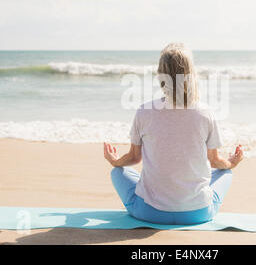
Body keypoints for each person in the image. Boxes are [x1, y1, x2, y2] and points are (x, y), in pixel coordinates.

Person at [103, 43, 244, 225]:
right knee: (226, 173)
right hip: (198, 214)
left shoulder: (144, 111)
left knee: (118, 172)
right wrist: (233, 162)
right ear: (190, 74)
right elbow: (215, 161)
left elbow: (134, 157)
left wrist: (114, 161)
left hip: (149, 213)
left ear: (161, 75)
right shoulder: (205, 112)